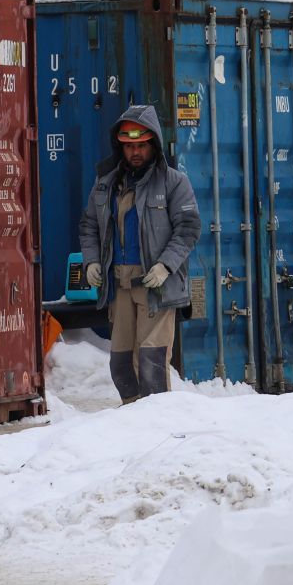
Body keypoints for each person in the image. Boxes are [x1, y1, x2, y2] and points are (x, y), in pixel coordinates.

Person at [77, 105, 201, 403]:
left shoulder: (173, 182)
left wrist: (165, 266)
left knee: (151, 363)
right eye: (129, 145)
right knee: (120, 365)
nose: (135, 151)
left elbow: (188, 228)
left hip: (155, 285)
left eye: (141, 145)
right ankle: (132, 422)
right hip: (119, 285)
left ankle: (157, 427)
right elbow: (89, 224)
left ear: (154, 144)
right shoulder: (106, 183)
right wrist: (92, 260)